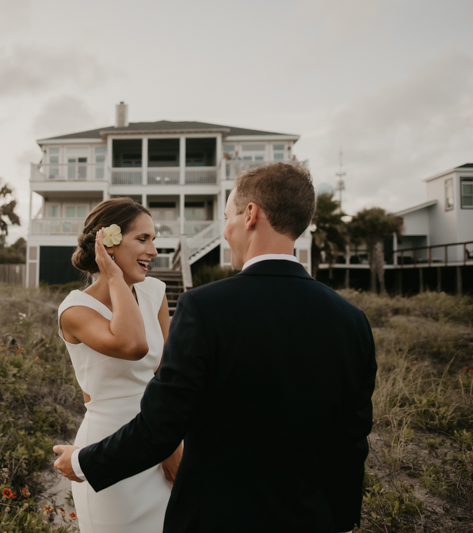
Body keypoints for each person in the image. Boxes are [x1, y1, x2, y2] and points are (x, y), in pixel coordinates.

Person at [54, 163, 377, 533]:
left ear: (250, 214)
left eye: (227, 217)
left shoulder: (206, 308)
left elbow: (167, 416)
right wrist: (343, 520)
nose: (224, 231)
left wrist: (83, 464)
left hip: (219, 512)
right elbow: (352, 441)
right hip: (312, 516)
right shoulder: (353, 321)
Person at [55, 197, 181, 533]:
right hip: (107, 450)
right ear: (107, 243)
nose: (153, 250)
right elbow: (133, 344)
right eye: (143, 239)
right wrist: (113, 276)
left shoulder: (154, 291)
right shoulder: (75, 310)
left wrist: (170, 442)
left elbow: (169, 375)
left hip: (157, 440)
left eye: (154, 239)